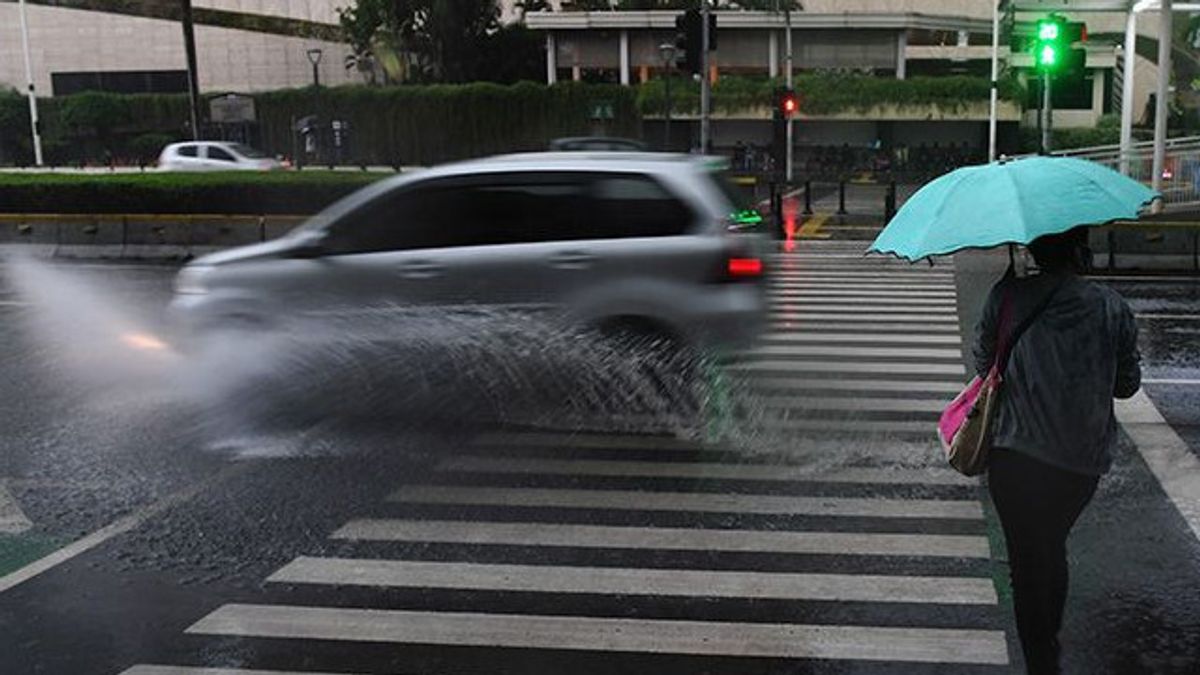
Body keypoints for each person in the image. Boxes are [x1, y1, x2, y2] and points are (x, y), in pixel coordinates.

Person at [973, 227, 1141, 675]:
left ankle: (1040, 660)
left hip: (1015, 454)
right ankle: (1047, 650)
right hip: (1080, 461)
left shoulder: (1007, 297)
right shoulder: (1111, 307)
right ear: (1080, 250)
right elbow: (1127, 386)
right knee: (1051, 546)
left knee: (1027, 560)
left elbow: (984, 366)